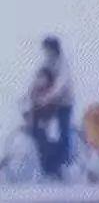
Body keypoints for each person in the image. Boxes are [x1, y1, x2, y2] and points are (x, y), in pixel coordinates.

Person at [32, 37, 74, 177]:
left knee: (64, 133)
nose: (46, 52)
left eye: (48, 49)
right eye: (45, 49)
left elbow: (59, 85)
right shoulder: (47, 62)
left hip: (64, 103)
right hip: (51, 104)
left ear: (54, 49)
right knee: (40, 130)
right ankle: (49, 165)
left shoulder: (62, 64)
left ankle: (65, 164)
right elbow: (38, 79)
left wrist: (46, 97)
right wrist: (29, 95)